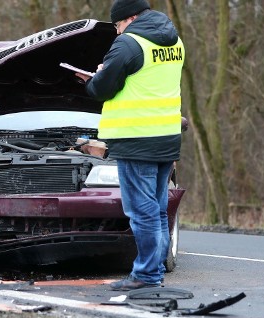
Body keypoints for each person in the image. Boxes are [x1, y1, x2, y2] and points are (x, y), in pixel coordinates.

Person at [76, 0, 185, 290]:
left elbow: (102, 88)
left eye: (117, 25)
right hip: (167, 136)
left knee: (142, 211)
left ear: (131, 17)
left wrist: (93, 78)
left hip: (137, 140)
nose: (116, 31)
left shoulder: (128, 44)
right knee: (158, 208)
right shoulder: (174, 42)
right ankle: (155, 269)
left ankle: (147, 276)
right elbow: (145, 81)